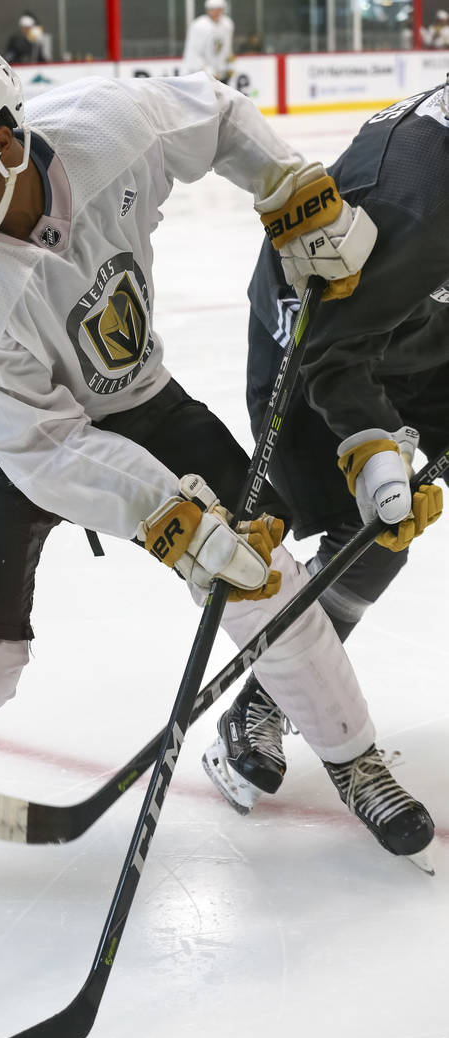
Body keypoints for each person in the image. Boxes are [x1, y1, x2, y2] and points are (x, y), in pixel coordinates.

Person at [0, 41, 435, 897]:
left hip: (138, 395)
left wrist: (287, 188)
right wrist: (171, 518)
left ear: (4, 138)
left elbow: (218, 115)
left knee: (262, 576)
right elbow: (46, 447)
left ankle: (354, 759)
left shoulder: (108, 128)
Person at [202, 84, 446, 816]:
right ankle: (267, 697)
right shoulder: (416, 193)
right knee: (371, 534)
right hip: (315, 352)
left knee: (380, 534)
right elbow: (333, 353)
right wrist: (372, 448)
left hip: (421, 343)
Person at [182, 0, 234, 83]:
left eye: (219, 9)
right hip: (199, 74)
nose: (216, 12)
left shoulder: (227, 24)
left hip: (220, 74)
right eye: (213, 9)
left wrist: (229, 66)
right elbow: (194, 53)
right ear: (208, 10)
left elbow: (227, 49)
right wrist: (208, 71)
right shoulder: (199, 26)